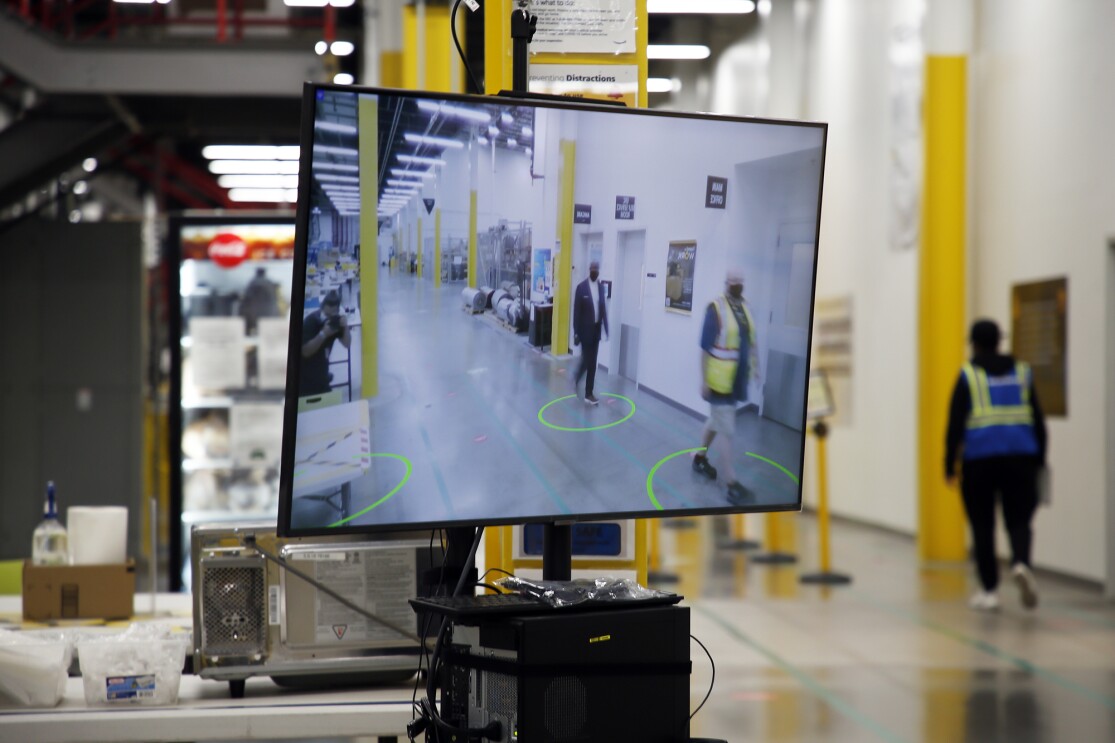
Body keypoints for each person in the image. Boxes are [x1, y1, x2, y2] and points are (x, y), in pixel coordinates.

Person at [945, 318, 1047, 611]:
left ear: (974, 343)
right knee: (1019, 519)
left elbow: (955, 424)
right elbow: (1038, 420)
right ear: (999, 341)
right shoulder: (1022, 372)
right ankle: (1021, 562)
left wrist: (950, 465)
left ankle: (989, 590)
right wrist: (1039, 459)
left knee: (982, 525)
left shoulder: (968, 375)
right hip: (1021, 459)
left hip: (980, 461)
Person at [692, 268, 759, 505]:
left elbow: (751, 340)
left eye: (741, 280)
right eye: (733, 281)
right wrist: (704, 380)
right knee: (727, 429)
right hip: (718, 381)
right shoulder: (716, 308)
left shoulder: (745, 308)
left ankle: (699, 458)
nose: (737, 284)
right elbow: (704, 347)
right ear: (726, 283)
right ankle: (731, 483)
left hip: (737, 380)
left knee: (716, 422)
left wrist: (756, 366)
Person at [300, 291, 351, 396]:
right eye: (326, 314)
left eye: (332, 315)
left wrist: (345, 327)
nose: (328, 318)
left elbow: (347, 344)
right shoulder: (310, 322)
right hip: (304, 378)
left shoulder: (334, 323)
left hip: (322, 376)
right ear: (321, 309)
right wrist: (323, 334)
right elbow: (305, 352)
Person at [572, 261, 609, 405]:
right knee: (587, 360)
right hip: (584, 331)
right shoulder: (581, 288)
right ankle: (576, 380)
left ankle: (589, 393)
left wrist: (606, 328)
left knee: (592, 363)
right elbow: (576, 312)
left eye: (596, 269)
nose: (595, 271)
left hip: (596, 331)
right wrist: (575, 332)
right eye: (593, 269)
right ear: (589, 270)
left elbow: (603, 309)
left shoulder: (600, 288)